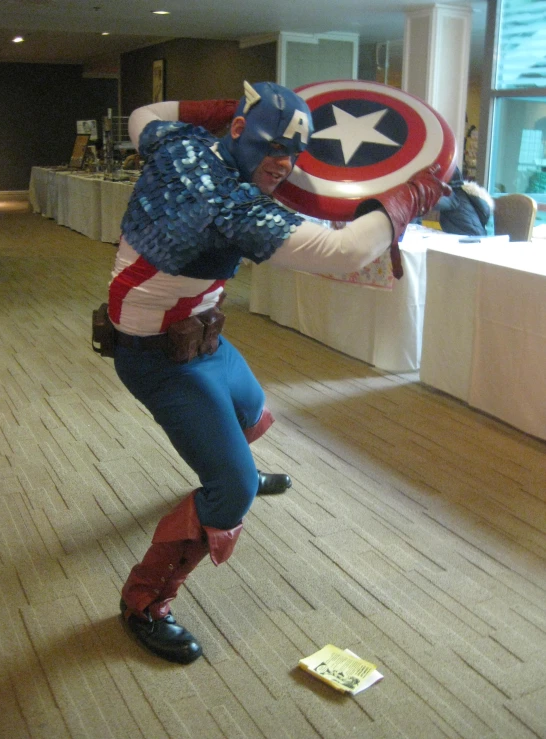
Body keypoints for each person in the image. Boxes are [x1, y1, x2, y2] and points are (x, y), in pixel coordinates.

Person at [106, 80, 449, 664]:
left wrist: (226, 107)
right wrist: (411, 195)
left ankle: (226, 466)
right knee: (234, 489)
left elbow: (146, 111)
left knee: (253, 411)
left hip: (200, 333)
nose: (284, 166)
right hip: (157, 356)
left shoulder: (177, 143)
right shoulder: (229, 204)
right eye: (272, 148)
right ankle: (144, 599)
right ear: (239, 133)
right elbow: (346, 252)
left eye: (293, 152)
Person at [433, 166, 494, 236]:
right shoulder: (462, 194)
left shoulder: (453, 195)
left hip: (467, 241)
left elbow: (432, 202)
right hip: (477, 238)